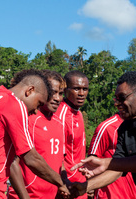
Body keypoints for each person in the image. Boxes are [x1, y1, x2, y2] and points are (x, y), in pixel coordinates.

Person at [0, 69, 70, 199]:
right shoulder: (14, 104)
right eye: (38, 104)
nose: (36, 111)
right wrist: (60, 182)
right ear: (30, 91)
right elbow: (31, 158)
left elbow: (9, 160)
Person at [72, 71, 136, 198]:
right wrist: (85, 186)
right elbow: (117, 168)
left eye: (122, 98)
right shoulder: (125, 128)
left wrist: (106, 163)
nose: (116, 104)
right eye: (116, 99)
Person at [7, 70, 66, 199]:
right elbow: (12, 162)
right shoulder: (27, 118)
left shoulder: (60, 123)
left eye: (60, 94)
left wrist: (65, 184)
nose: (57, 98)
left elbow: (59, 161)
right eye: (53, 92)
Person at [54, 70, 88, 199]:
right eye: (76, 89)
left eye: (85, 89)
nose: (81, 94)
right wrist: (63, 183)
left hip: (80, 182)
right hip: (68, 185)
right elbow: (57, 157)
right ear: (65, 90)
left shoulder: (78, 113)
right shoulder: (60, 115)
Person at [87, 112, 136, 199]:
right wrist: (89, 186)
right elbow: (91, 162)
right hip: (109, 194)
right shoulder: (106, 127)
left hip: (130, 193)